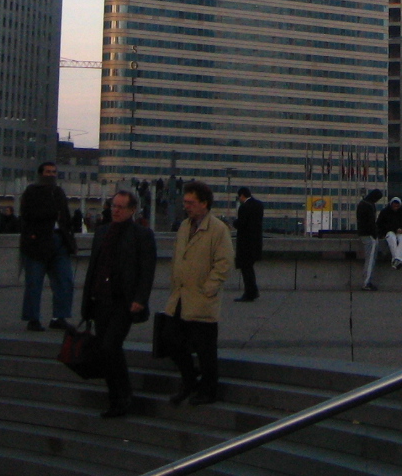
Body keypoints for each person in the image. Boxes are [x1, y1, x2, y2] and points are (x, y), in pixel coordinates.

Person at [80, 189, 157, 417]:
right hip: (101, 299)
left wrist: (140, 299)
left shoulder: (142, 235)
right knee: (106, 350)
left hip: (124, 302)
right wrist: (88, 299)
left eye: (121, 207)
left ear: (132, 210)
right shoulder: (102, 232)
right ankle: (116, 396)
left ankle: (123, 396)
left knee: (110, 346)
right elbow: (94, 267)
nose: (115, 210)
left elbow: (147, 270)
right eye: (113, 206)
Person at [164, 179, 233, 406]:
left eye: (191, 202)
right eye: (185, 202)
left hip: (202, 299)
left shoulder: (218, 229)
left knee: (205, 349)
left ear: (204, 203)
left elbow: (224, 263)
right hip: (180, 296)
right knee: (171, 341)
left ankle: (208, 390)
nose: (186, 206)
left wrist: (209, 288)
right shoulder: (184, 226)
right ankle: (189, 380)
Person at [19, 161, 75, 331]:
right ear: (41, 174)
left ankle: (59, 317)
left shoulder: (59, 191)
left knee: (65, 281)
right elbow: (27, 215)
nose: (51, 175)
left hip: (59, 240)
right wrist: (50, 214)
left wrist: (68, 235)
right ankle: (33, 319)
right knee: (34, 283)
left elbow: (65, 216)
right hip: (37, 242)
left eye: (54, 172)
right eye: (48, 172)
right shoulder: (31, 191)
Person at [233, 187, 264, 302]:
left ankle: (250, 292)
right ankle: (253, 291)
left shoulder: (244, 207)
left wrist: (234, 223)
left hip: (245, 243)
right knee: (249, 268)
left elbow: (241, 224)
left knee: (246, 269)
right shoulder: (259, 205)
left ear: (242, 195)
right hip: (256, 242)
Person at [356, 189, 384, 291]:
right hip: (369, 236)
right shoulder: (369, 205)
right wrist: (375, 234)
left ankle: (366, 281)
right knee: (370, 260)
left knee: (369, 259)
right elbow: (371, 222)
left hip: (363, 233)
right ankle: (366, 283)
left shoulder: (362, 203)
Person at [378, 196, 402, 269]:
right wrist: (391, 230)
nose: (396, 207)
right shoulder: (384, 212)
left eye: (397, 206)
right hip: (389, 232)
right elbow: (380, 224)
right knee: (391, 238)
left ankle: (395, 259)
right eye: (394, 205)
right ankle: (398, 259)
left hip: (401, 232)